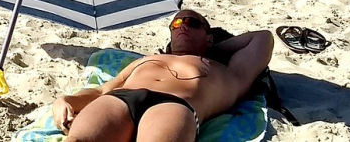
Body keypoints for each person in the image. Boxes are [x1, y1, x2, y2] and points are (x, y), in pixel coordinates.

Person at [50, 11, 273, 142]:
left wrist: (208, 51)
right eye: (176, 23)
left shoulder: (224, 71)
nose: (183, 26)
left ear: (209, 36)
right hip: (121, 98)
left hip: (175, 104)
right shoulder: (145, 60)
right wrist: (67, 100)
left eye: (192, 23)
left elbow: (263, 38)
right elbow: (100, 91)